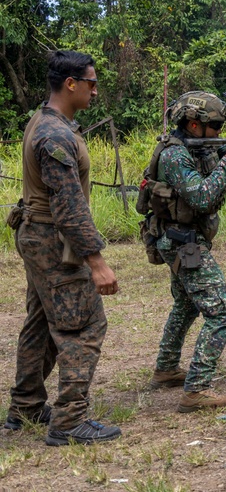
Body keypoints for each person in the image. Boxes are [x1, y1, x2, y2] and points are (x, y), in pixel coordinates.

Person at [4, 50, 122, 446]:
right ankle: (70, 420)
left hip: (38, 237)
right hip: (53, 242)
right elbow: (69, 208)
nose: (94, 90)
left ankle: (26, 406)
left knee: (39, 323)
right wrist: (96, 262)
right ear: (70, 84)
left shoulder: (46, 122)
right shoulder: (55, 135)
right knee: (83, 326)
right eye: (91, 83)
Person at [141, 91, 226, 412]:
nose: (220, 133)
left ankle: (165, 369)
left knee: (187, 305)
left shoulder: (199, 146)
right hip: (184, 242)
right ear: (193, 124)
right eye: (215, 126)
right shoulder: (175, 156)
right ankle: (196, 390)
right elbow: (202, 197)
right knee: (221, 313)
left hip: (181, 238)